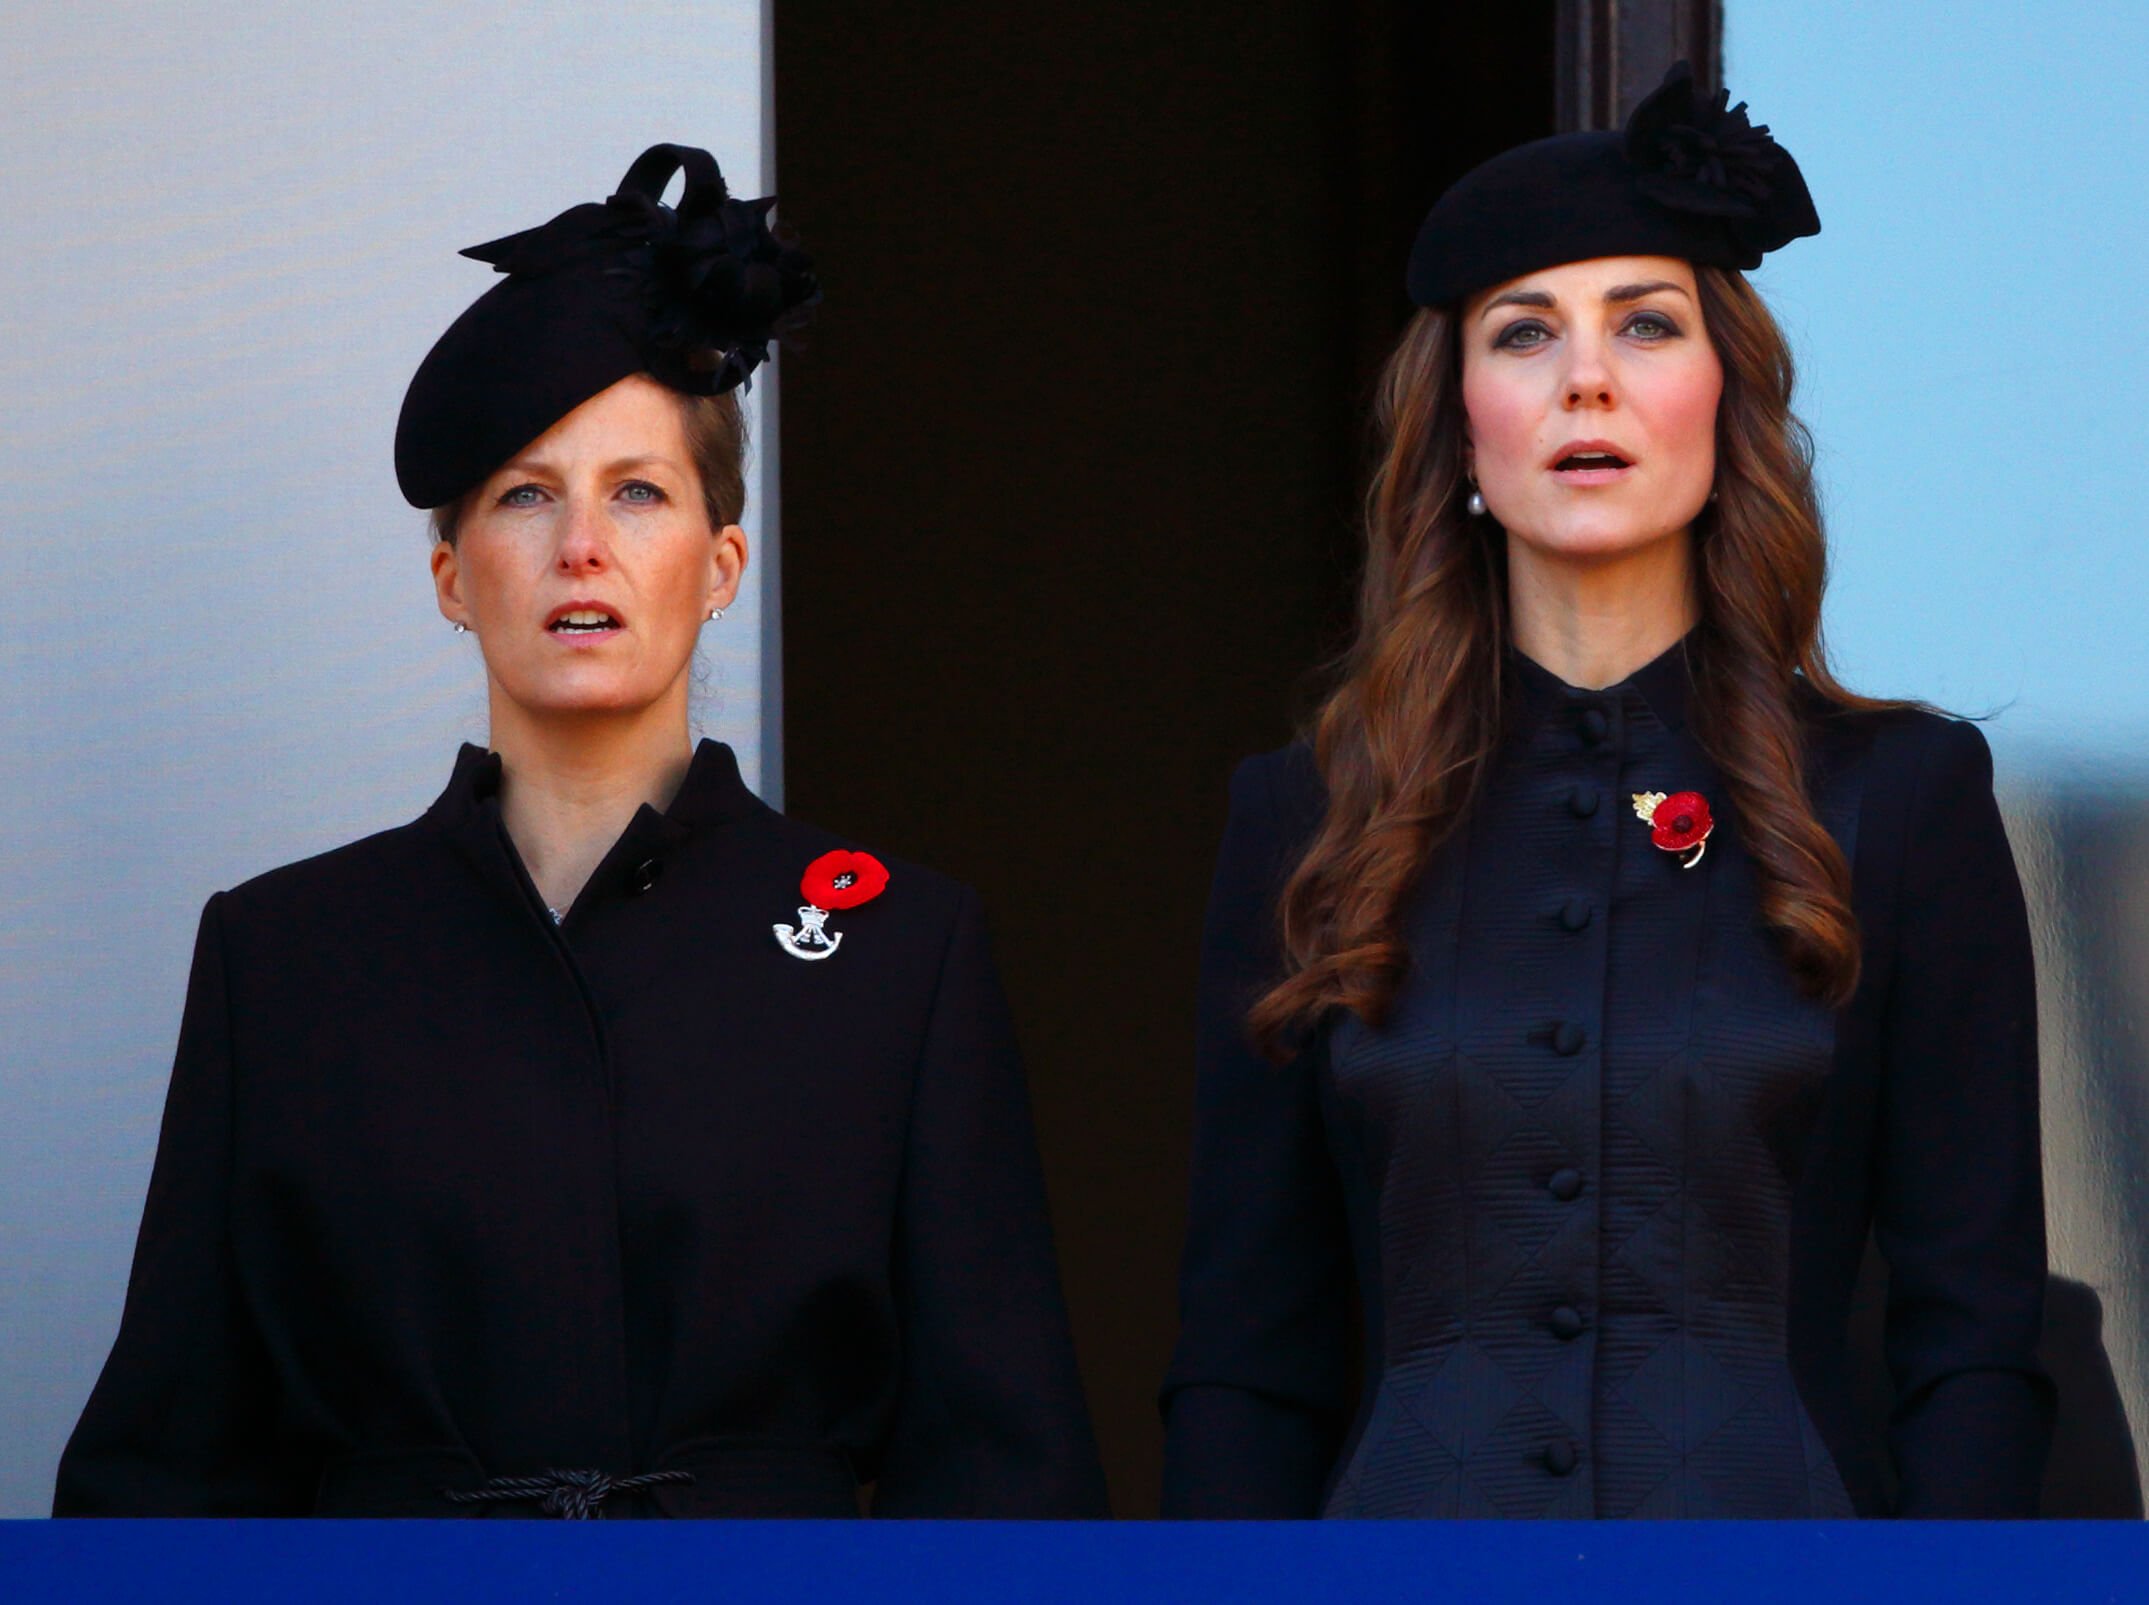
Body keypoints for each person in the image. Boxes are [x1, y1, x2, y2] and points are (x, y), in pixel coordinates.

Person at [56, 144, 1107, 1519]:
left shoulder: (899, 950)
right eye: (525, 494)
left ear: (719, 565)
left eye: (638, 491)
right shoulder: (285, 956)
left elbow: (1001, 1472)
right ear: (451, 575)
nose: (581, 548)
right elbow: (167, 1469)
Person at [1160, 66, 2052, 1519]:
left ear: (1724, 398)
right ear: (1457, 429)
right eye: (1524, 333)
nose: (1586, 377)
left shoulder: (1902, 800)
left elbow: (1971, 1344)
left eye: (1644, 323)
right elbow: (1245, 1366)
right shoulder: (1302, 817)